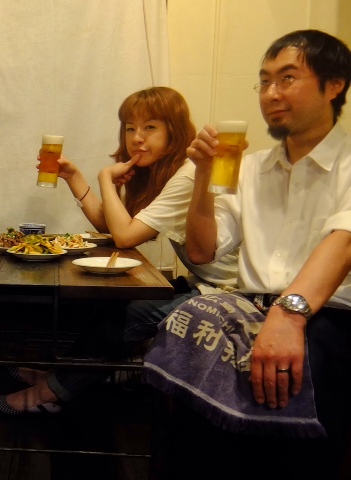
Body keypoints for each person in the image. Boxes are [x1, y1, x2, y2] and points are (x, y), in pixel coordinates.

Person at [141, 30, 351, 479]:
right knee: (188, 343)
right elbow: (202, 250)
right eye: (265, 81)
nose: (271, 94)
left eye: (288, 78)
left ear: (334, 85)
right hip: (248, 307)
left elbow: (344, 239)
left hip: (327, 316)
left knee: (300, 393)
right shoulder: (250, 168)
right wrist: (202, 177)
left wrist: (288, 316)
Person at [0, 86, 239, 414]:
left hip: (231, 292)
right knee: (114, 304)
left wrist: (105, 179)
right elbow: (111, 226)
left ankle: (50, 393)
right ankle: (58, 377)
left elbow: (124, 237)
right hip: (205, 285)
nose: (137, 138)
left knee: (131, 314)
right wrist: (74, 178)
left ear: (174, 133)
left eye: (150, 127)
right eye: (130, 128)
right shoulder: (163, 174)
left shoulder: (187, 175)